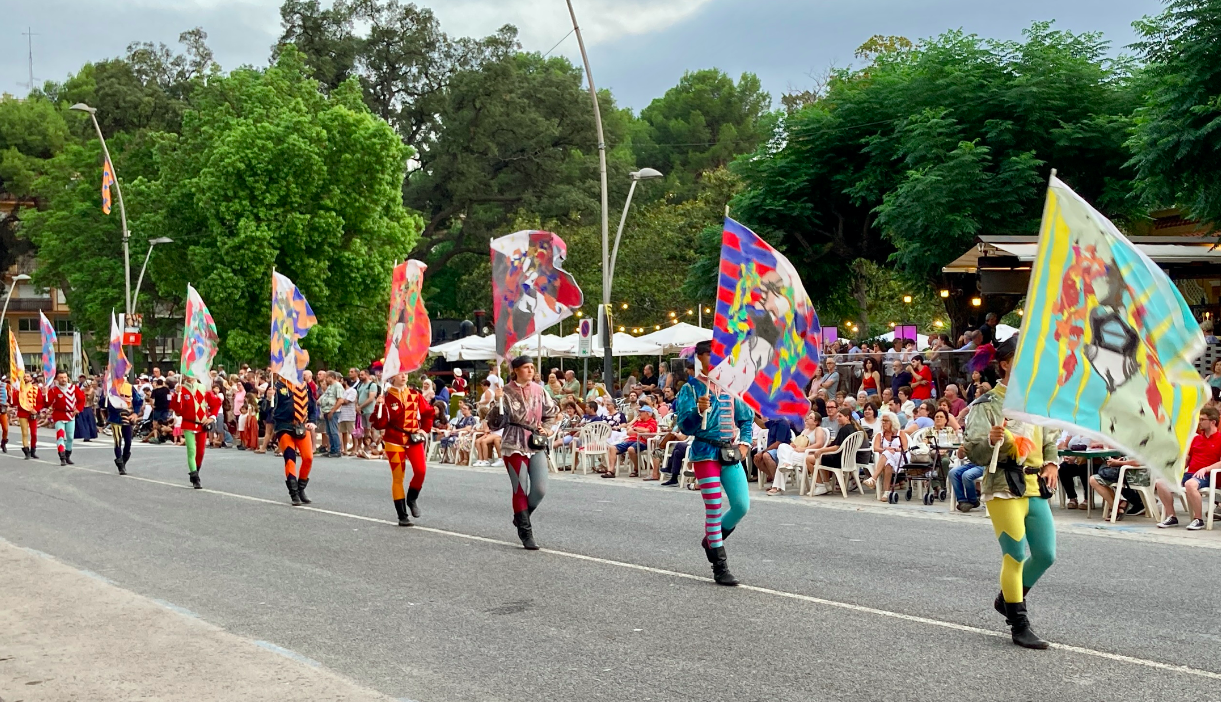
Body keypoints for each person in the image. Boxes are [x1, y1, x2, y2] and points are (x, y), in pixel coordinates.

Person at [963, 334, 1060, 650]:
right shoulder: (987, 405)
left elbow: (1047, 440)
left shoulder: (1035, 402)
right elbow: (974, 450)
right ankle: (1019, 623)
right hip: (1004, 486)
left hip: (1034, 487)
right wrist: (993, 440)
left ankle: (1007, 599)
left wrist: (1052, 463)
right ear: (1005, 364)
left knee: (1046, 554)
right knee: (1015, 555)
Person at [674, 340, 753, 586]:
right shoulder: (691, 389)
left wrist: (745, 444)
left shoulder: (731, 386)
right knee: (714, 507)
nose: (717, 359)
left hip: (729, 452)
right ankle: (720, 566)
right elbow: (684, 427)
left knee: (741, 505)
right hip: (705, 452)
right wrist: (698, 411)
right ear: (700, 358)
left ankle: (711, 540)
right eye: (711, 355)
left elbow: (746, 420)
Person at [487, 356, 558, 550]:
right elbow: (494, 424)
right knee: (520, 487)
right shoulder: (506, 391)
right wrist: (497, 402)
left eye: (532, 367)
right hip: (513, 442)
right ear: (516, 370)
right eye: (526, 367)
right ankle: (526, 532)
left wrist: (547, 428)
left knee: (540, 489)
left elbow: (551, 413)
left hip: (535, 441)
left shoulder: (539, 390)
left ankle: (520, 516)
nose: (530, 371)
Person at [371, 373, 435, 527]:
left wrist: (424, 430)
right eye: (400, 374)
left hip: (413, 439)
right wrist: (379, 406)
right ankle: (402, 515)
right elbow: (379, 424)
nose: (403, 376)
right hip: (394, 441)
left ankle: (412, 498)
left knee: (421, 471)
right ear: (392, 377)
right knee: (398, 477)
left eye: (405, 374)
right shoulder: (385, 397)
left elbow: (428, 413)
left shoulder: (415, 395)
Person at [1153, 405, 1221, 530]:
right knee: (1161, 482)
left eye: (1202, 419)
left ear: (1213, 422)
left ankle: (1198, 519)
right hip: (1190, 474)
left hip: (1208, 476)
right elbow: (1188, 459)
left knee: (1190, 484)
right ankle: (1172, 516)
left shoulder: (1220, 438)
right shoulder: (1196, 439)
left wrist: (1206, 469)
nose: (1199, 422)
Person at [272, 374, 320, 506]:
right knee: (290, 459)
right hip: (284, 426)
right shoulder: (277, 386)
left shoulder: (304, 386)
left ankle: (301, 488)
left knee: (308, 458)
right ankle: (293, 492)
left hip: (301, 426)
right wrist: (270, 399)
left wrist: (312, 421)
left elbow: (312, 405)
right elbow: (270, 410)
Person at [171, 378, 222, 489]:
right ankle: (194, 476)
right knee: (191, 450)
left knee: (201, 451)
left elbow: (216, 403)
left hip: (202, 424)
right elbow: (177, 410)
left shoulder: (204, 388)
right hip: (188, 423)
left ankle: (196, 471)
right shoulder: (182, 389)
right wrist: (177, 395)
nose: (190, 376)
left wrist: (212, 417)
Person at [805, 408, 860, 496]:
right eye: (837, 416)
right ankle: (827, 484)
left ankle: (820, 485)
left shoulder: (844, 429)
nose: (837, 418)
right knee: (823, 456)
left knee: (809, 459)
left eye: (840, 416)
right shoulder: (853, 428)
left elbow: (836, 447)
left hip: (838, 460)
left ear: (847, 417)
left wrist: (821, 450)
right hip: (847, 459)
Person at [604, 403, 657, 478]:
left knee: (631, 449)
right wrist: (639, 430)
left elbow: (647, 431)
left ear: (648, 413)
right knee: (612, 448)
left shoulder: (652, 422)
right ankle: (611, 471)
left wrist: (636, 430)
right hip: (630, 440)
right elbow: (629, 432)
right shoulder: (638, 421)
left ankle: (636, 469)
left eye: (641, 412)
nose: (639, 413)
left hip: (642, 442)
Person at [103, 376, 143, 475]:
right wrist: (105, 397)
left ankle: (124, 460)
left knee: (128, 442)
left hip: (127, 417)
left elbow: (138, 401)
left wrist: (135, 413)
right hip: (115, 417)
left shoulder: (129, 387)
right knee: (118, 440)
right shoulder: (110, 388)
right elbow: (102, 404)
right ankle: (120, 463)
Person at [46, 371, 84, 466]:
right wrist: (44, 394)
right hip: (59, 415)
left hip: (71, 415)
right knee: (60, 436)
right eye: (61, 377)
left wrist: (78, 409)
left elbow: (81, 399)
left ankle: (68, 455)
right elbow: (47, 403)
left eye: (65, 377)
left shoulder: (73, 388)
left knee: (70, 437)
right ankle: (62, 457)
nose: (63, 379)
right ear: (57, 379)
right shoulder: (54, 390)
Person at [15, 373, 44, 460]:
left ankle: (33, 450)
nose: (26, 378)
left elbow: (40, 402)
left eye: (28, 376)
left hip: (32, 413)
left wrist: (36, 409)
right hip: (23, 413)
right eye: (24, 377)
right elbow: (15, 402)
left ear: (31, 378)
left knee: (34, 433)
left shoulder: (36, 389)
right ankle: (26, 451)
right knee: (25, 433)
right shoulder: (19, 390)